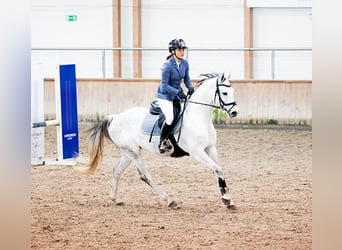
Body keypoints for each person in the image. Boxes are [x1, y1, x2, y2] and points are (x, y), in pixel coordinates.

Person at [155, 38, 194, 153]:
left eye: (183, 49)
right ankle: (162, 141)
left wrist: (190, 87)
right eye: (179, 49)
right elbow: (165, 85)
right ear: (172, 51)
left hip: (177, 94)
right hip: (165, 96)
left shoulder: (185, 63)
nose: (182, 52)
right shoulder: (167, 66)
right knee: (170, 117)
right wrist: (177, 92)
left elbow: (186, 79)